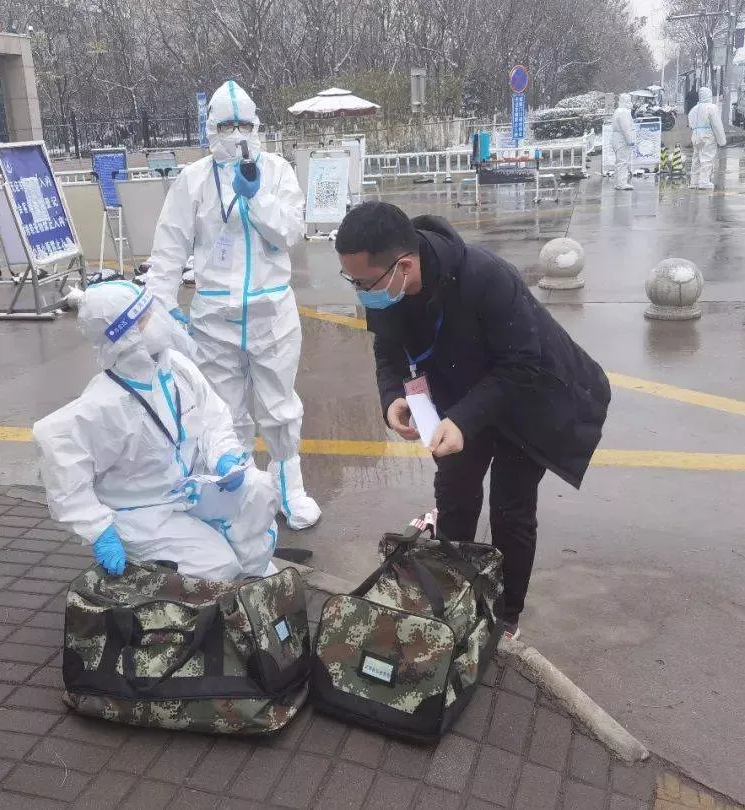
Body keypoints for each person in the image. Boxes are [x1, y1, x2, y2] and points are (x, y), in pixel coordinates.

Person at [334, 201, 611, 640]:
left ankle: (506, 616)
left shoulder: (486, 277)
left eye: (364, 283)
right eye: (352, 281)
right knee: (455, 494)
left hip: (526, 399)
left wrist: (463, 421)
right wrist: (393, 398)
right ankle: (452, 595)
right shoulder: (386, 285)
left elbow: (523, 364)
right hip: (459, 393)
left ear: (404, 266)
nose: (361, 292)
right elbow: (387, 349)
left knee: (511, 510)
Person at [143, 80, 321, 531]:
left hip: (271, 313)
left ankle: (289, 489)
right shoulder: (193, 180)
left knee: (279, 407)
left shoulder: (276, 171)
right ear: (211, 128)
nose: (237, 134)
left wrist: (256, 195)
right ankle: (240, 494)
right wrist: (161, 308)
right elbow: (169, 248)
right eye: (227, 125)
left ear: (257, 125)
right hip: (214, 318)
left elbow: (289, 233)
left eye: (244, 124)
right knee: (224, 412)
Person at [33, 280, 280, 581]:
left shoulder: (175, 367)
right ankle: (207, 571)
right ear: (123, 336)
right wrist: (97, 529)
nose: (157, 320)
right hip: (142, 511)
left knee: (259, 489)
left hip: (188, 486)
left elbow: (212, 417)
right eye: (144, 318)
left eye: (150, 311)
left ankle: (252, 577)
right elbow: (59, 454)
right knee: (219, 567)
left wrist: (223, 455)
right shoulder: (105, 402)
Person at [687, 86, 727, 190]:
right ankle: (704, 181)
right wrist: (722, 141)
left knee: (696, 158)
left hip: (695, 135)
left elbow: (690, 124)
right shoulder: (711, 108)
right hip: (707, 135)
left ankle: (694, 181)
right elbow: (717, 125)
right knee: (707, 157)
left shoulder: (693, 109)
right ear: (709, 95)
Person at [612, 93, 636, 191]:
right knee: (623, 162)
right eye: (629, 100)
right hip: (622, 140)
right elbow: (626, 128)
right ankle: (622, 183)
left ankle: (618, 182)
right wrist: (630, 140)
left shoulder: (618, 110)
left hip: (617, 139)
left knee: (619, 162)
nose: (630, 102)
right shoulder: (624, 112)